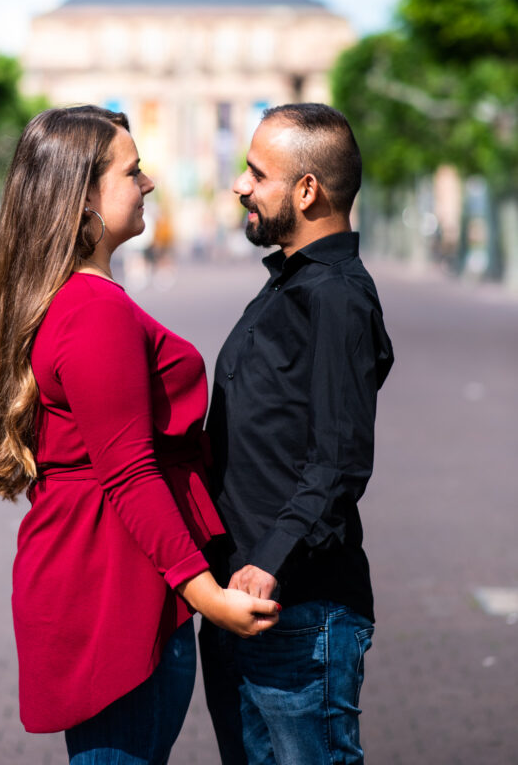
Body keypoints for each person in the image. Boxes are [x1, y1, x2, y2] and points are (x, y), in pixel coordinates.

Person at [0, 106, 279, 765]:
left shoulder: (71, 299)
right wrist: (208, 596)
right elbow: (130, 472)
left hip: (104, 575)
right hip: (119, 590)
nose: (148, 183)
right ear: (82, 196)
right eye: (132, 171)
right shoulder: (94, 310)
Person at [200, 103, 394, 765]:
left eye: (257, 173)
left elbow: (340, 461)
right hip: (241, 604)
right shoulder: (291, 284)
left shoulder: (336, 295)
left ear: (307, 190)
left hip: (299, 610)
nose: (240, 186)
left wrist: (268, 563)